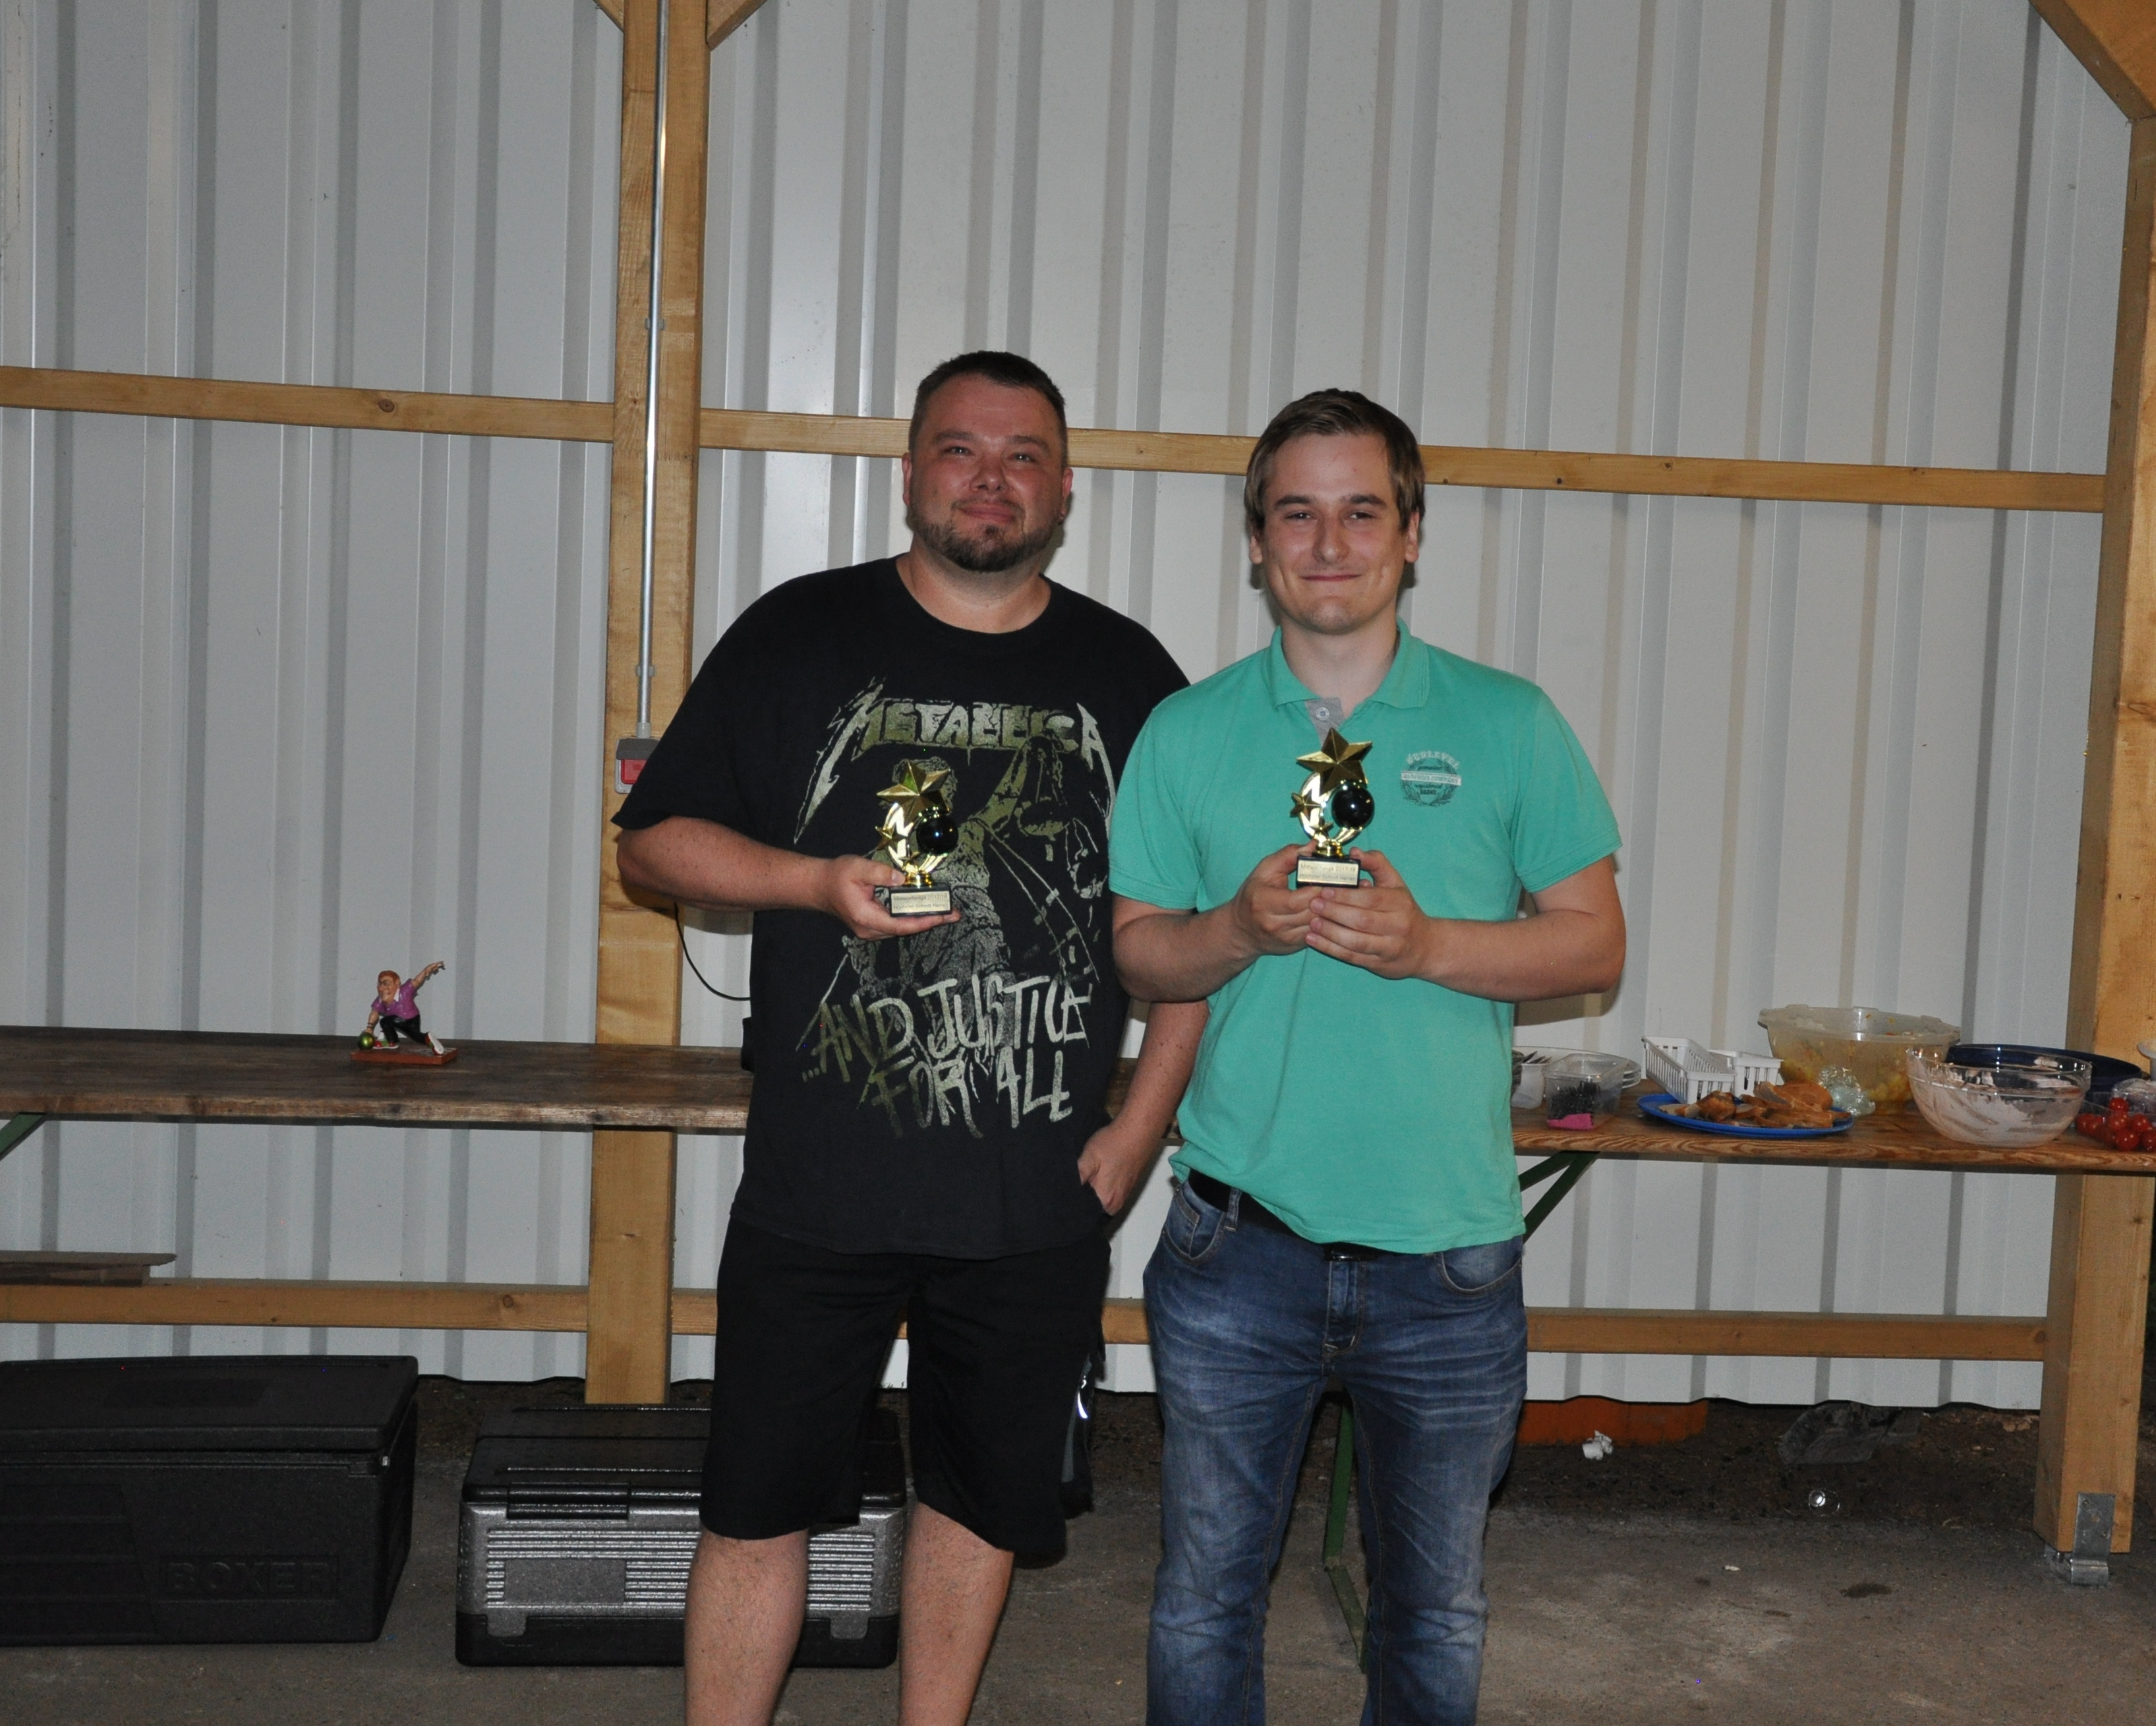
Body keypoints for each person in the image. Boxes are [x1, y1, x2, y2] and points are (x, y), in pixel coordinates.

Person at [614, 351, 1204, 1726]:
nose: (990, 479)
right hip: (819, 1182)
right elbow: (654, 844)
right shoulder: (798, 632)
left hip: (1032, 1194)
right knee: (755, 1505)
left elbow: (1191, 936)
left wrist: (1138, 1132)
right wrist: (814, 880)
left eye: (1022, 454)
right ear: (909, 473)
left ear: (1065, 487)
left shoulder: (1131, 676)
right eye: (960, 449)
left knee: (983, 1503)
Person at [1108, 389, 1625, 1726]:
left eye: (1359, 511)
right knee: (1203, 1598)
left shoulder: (1510, 722)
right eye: (1296, 512)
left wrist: (1426, 944)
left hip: (1447, 1254)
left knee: (1433, 1607)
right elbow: (1140, 957)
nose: (1328, 543)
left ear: (1410, 534)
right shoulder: (1186, 731)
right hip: (1236, 1245)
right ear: (1255, 541)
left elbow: (1592, 944)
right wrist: (1232, 928)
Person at [363, 961, 445, 1052]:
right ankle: (424, 1038)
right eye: (380, 984)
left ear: (397, 983)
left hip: (411, 1019)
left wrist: (427, 970)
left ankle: (396, 1041)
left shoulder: (405, 991)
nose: (381, 988)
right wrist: (369, 1028)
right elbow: (375, 1011)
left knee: (388, 1022)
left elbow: (417, 981)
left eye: (386, 984)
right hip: (398, 1020)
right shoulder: (381, 999)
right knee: (389, 1024)